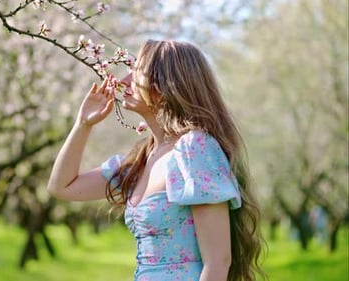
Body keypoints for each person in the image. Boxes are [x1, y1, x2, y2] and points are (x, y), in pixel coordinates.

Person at [47, 40, 264, 281]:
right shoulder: (140, 161)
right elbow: (62, 187)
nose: (123, 80)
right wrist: (83, 124)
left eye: (136, 72)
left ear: (162, 87)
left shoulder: (193, 150)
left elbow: (218, 262)